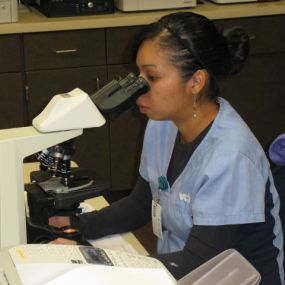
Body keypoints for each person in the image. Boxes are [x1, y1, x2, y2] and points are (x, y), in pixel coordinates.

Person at [49, 12, 284, 284]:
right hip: (179, 270)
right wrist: (76, 225)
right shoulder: (162, 125)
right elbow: (141, 203)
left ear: (196, 81)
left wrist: (92, 260)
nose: (139, 88)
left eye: (152, 76)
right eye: (138, 75)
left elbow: (196, 266)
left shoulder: (231, 157)